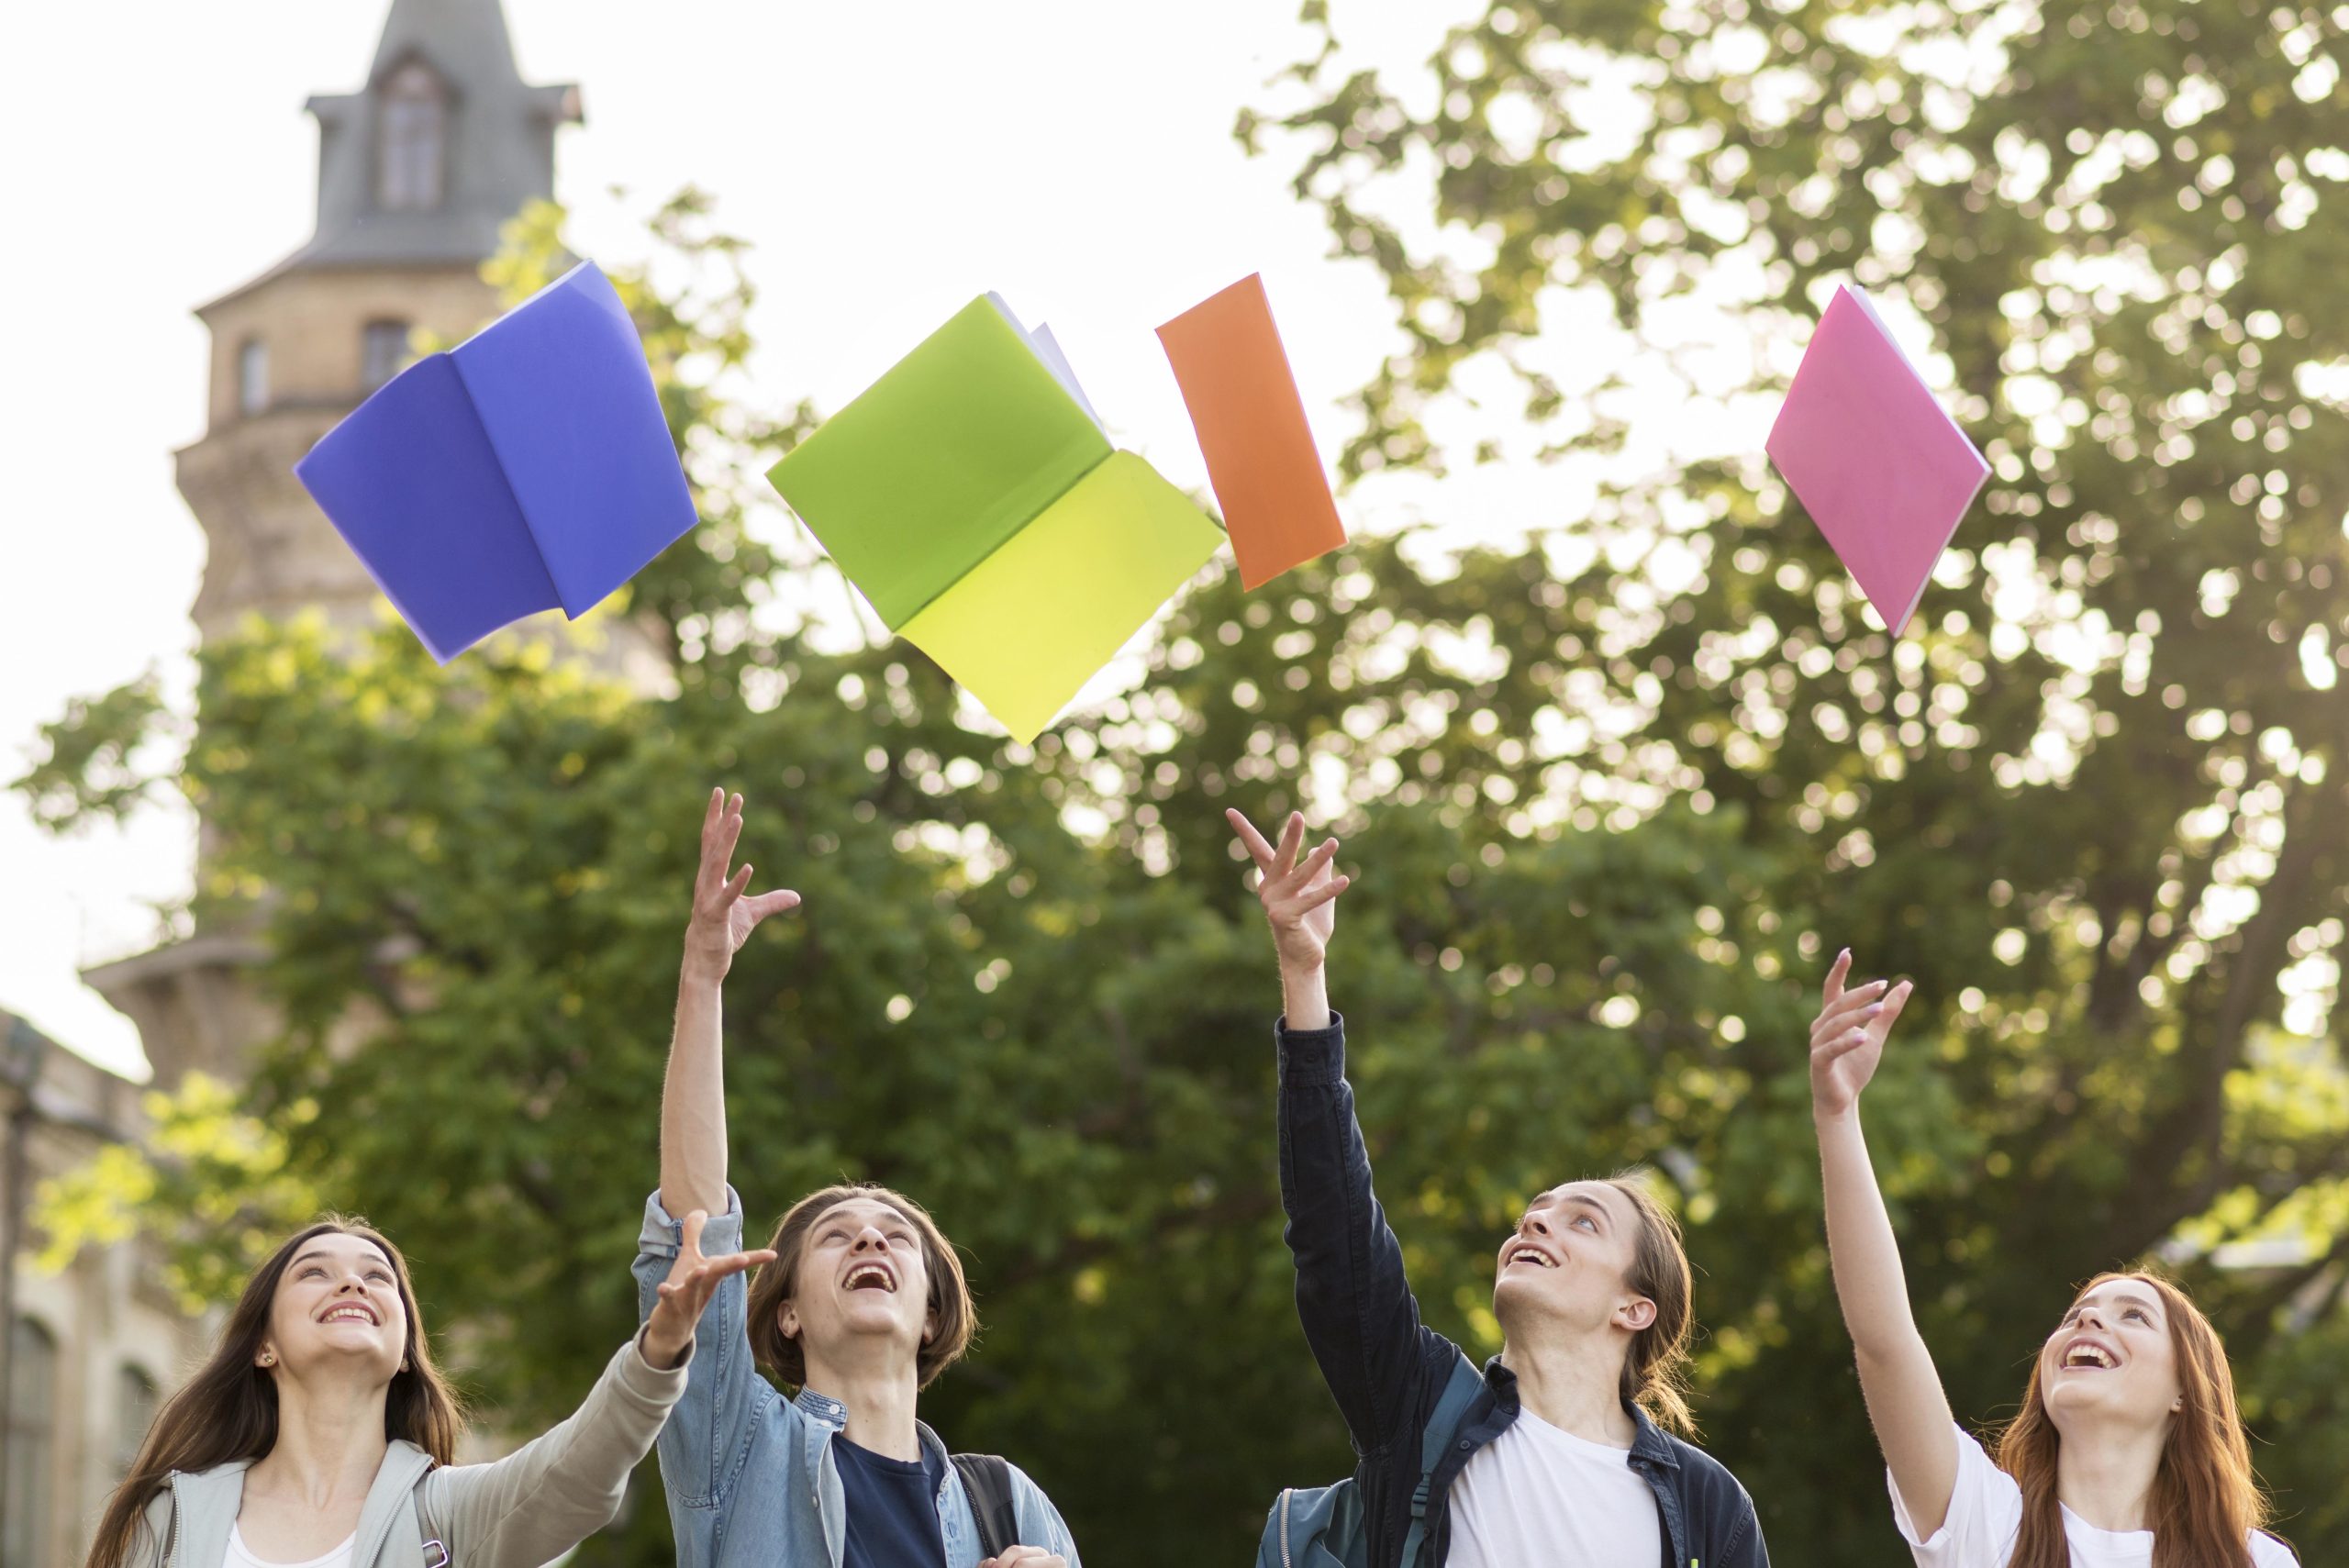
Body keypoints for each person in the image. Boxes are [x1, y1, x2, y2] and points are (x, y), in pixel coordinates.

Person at [1230, 806, 1768, 1568]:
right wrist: (1304, 972)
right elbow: (1332, 1229)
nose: (1536, 1224)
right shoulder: (1421, 1411)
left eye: (1582, 1222)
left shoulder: (1708, 1506)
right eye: (1533, 1214)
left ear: (1634, 1306)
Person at [632, 789, 1079, 1568]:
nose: (870, 1234)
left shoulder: (1011, 1507)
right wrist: (703, 977)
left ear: (934, 1310)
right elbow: (693, 1232)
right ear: (790, 1313)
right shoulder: (737, 1448)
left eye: (895, 1236)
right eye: (835, 1237)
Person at [1809, 948, 2297, 1566]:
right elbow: (1884, 1339)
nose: (2087, 1320)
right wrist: (1838, 1112)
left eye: (2134, 1316)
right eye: (2076, 1313)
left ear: (2184, 1388)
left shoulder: (2256, 1560)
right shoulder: (1984, 1522)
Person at [85, 1208, 746, 1568]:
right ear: (265, 1344)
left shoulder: (450, 1515)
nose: (352, 1283)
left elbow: (577, 1472)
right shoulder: (172, 1519)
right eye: (315, 1272)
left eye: (377, 1277)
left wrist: (660, 1347)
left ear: (404, 1352)